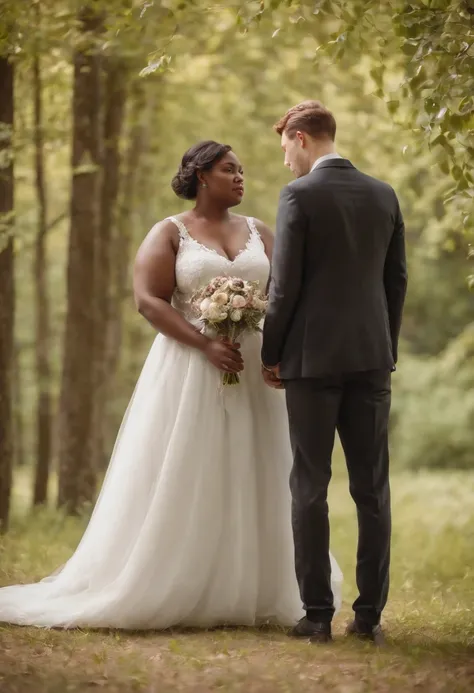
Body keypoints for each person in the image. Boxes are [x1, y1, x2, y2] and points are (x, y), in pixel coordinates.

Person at [0, 140, 342, 630]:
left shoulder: (260, 231)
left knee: (261, 465)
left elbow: (286, 294)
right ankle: (176, 579)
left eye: (242, 170)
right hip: (189, 367)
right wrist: (204, 344)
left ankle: (259, 583)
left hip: (254, 367)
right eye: (230, 169)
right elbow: (148, 299)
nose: (241, 177)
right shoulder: (170, 232)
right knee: (192, 465)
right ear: (201, 176)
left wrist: (281, 352)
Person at [262, 102, 407, 646]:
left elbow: (284, 286)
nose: (284, 162)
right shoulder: (384, 194)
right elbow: (397, 282)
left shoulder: (299, 196)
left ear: (301, 138)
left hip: (311, 361)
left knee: (309, 485)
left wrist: (270, 353)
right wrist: (384, 349)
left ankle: (317, 616)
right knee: (373, 489)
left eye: (284, 148)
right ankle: (368, 617)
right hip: (371, 360)